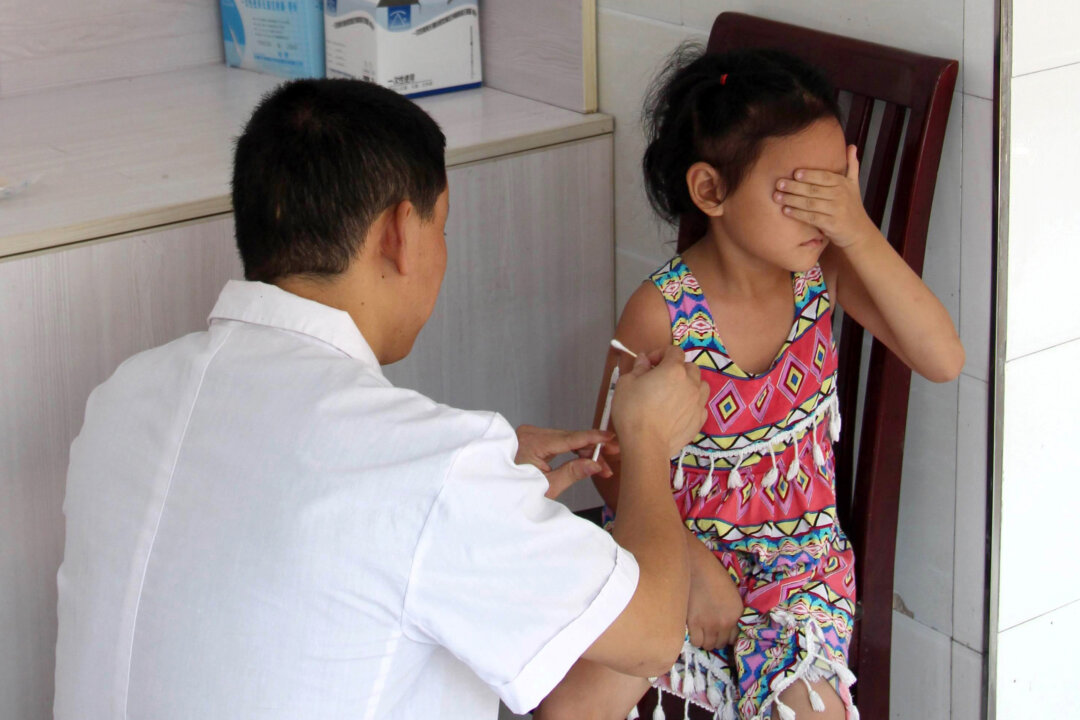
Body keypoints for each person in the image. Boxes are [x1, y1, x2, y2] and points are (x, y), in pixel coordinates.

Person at [52, 79, 711, 720]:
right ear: (399, 232)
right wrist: (648, 442)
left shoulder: (123, 398)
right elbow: (652, 633)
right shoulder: (426, 470)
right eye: (443, 228)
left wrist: (485, 493)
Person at [537, 46, 964, 720]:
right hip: (676, 550)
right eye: (800, 192)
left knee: (809, 710)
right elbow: (610, 459)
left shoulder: (827, 272)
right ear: (711, 192)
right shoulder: (663, 309)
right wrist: (691, 564)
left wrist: (859, 232)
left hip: (798, 569)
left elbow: (943, 358)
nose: (822, 215)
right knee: (569, 708)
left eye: (835, 190)